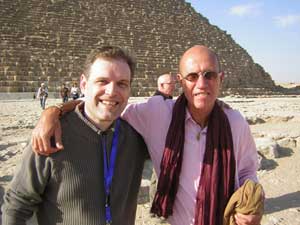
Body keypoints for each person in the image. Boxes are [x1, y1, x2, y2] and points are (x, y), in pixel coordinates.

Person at [29, 45, 263, 225]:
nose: (201, 84)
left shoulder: (235, 123)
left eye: (209, 75)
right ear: (180, 82)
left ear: (220, 79)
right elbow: (107, 105)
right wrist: (55, 111)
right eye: (192, 77)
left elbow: (247, 170)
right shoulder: (156, 113)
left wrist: (250, 203)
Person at [1, 46, 148, 225]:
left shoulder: (136, 137)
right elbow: (18, 204)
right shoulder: (50, 136)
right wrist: (53, 111)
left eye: (122, 84)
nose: (111, 91)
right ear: (84, 84)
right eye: (102, 81)